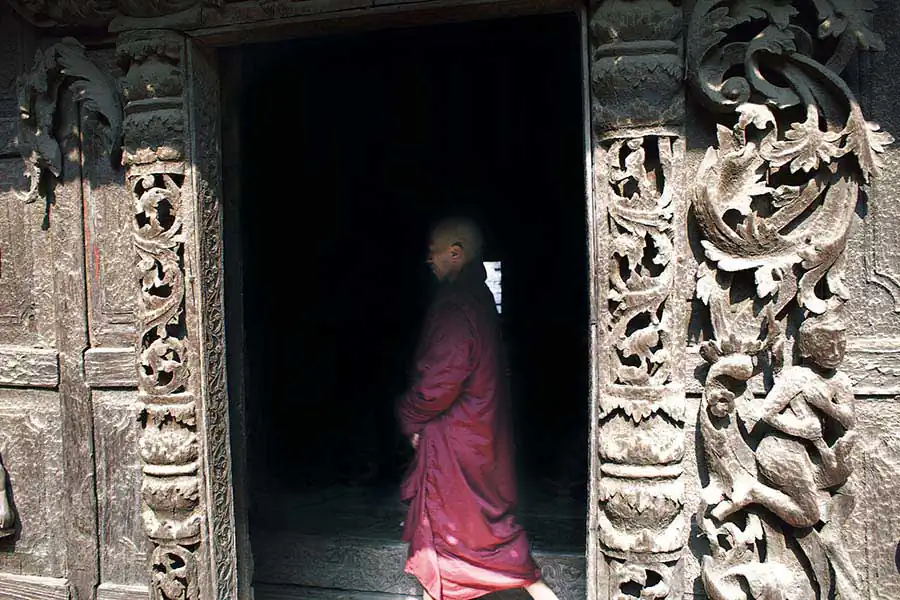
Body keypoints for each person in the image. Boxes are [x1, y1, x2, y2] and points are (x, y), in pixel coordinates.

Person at [396, 218, 558, 600]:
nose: (428, 260)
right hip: (475, 433)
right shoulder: (478, 296)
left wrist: (410, 415)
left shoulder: (456, 305)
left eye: (433, 252)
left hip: (455, 443)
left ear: (456, 252)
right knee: (487, 534)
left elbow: (440, 381)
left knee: (449, 539)